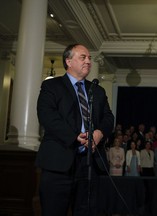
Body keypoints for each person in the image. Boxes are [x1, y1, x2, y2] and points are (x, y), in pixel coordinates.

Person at [35, 44, 114, 216]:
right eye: (83, 57)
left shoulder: (97, 91)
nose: (88, 61)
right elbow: (47, 116)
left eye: (89, 58)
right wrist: (75, 137)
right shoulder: (51, 86)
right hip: (58, 163)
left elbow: (109, 118)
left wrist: (99, 133)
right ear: (68, 61)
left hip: (90, 166)